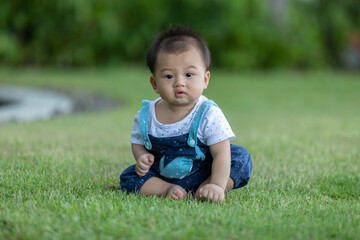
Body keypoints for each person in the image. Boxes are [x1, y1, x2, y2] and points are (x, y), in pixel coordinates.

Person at [120, 25, 252, 202]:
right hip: (163, 174)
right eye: (169, 76)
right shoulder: (146, 115)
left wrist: (217, 184)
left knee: (240, 157)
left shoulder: (209, 113)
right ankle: (167, 189)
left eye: (189, 74)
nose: (179, 83)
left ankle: (208, 187)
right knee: (129, 176)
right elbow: (137, 141)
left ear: (205, 80)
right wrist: (142, 156)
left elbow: (221, 153)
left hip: (205, 171)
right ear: (154, 84)